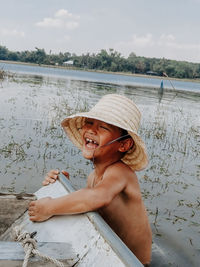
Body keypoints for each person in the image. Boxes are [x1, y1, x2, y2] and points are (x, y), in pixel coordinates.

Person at [28, 94, 152, 265]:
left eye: (103, 127)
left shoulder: (121, 172)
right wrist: (64, 186)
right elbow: (89, 200)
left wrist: (50, 206)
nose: (92, 130)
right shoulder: (93, 177)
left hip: (133, 262)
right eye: (89, 122)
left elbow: (97, 197)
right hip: (111, 255)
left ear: (123, 145)